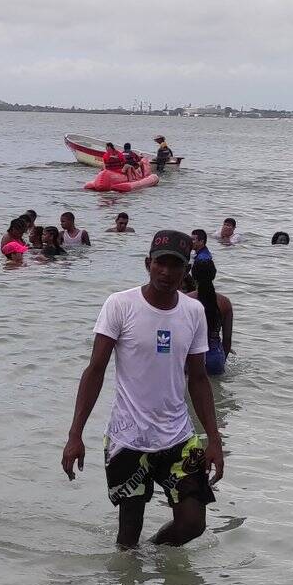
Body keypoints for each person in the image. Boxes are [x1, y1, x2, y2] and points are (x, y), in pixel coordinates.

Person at [60, 230, 224, 549]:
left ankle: (154, 553)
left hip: (179, 436)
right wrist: (75, 435)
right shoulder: (120, 305)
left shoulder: (193, 313)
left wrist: (214, 439)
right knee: (128, 534)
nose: (166, 272)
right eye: (160, 264)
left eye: (175, 266)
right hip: (128, 438)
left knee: (193, 524)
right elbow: (95, 370)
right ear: (148, 264)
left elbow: (199, 379)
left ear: (186, 269)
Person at [190, 257, 233, 376]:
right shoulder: (225, 302)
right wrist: (221, 360)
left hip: (192, 355)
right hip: (215, 356)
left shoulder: (186, 300)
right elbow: (227, 340)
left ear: (193, 275)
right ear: (213, 275)